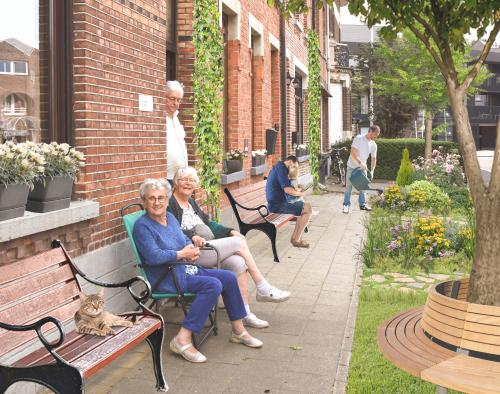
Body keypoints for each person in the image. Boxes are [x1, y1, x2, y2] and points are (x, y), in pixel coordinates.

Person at [133, 179, 263, 363]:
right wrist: (180, 254)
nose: (157, 202)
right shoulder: (142, 226)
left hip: (185, 269)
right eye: (151, 198)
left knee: (228, 277)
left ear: (167, 199)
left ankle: (239, 330)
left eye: (161, 198)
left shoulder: (169, 218)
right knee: (212, 285)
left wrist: (191, 250)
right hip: (167, 277)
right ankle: (182, 339)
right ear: (144, 201)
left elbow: (182, 239)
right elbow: (153, 257)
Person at [168, 167, 291, 329]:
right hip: (192, 253)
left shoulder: (190, 202)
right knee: (239, 243)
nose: (188, 183)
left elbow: (209, 224)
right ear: (176, 183)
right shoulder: (170, 203)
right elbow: (173, 231)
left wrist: (230, 231)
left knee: (238, 262)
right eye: (184, 179)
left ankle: (245, 313)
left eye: (192, 180)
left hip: (209, 247)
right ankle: (263, 287)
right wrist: (192, 236)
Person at [266, 155, 312, 248]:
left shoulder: (280, 167)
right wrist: (301, 194)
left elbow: (287, 188)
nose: (295, 169)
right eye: (295, 166)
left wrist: (297, 190)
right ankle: (296, 240)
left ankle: (295, 239)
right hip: (277, 205)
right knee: (308, 208)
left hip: (277, 203)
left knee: (303, 211)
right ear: (291, 162)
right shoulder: (282, 169)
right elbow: (287, 190)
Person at [343, 125, 381, 214]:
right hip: (352, 167)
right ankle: (346, 205)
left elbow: (373, 159)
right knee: (348, 188)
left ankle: (362, 204)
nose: (375, 137)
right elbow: (353, 153)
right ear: (370, 131)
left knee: (363, 187)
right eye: (375, 134)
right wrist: (361, 163)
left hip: (362, 169)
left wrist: (372, 171)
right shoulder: (358, 138)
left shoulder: (373, 144)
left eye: (377, 135)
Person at [165, 81, 188, 184]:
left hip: (180, 176)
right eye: (172, 99)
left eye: (178, 100)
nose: (176, 103)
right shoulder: (160, 119)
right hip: (166, 177)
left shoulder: (176, 119)